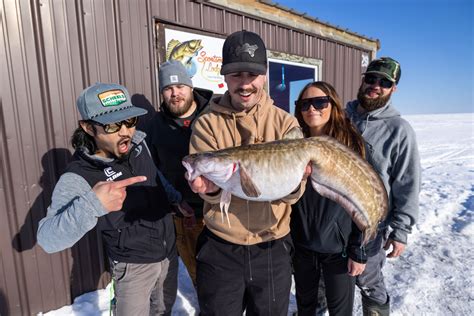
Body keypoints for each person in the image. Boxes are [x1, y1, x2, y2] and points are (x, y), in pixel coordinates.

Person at [37, 82, 191, 316]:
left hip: (168, 253)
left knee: (163, 311)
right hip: (133, 267)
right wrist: (92, 204)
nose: (125, 131)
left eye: (129, 121)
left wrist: (175, 198)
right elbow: (47, 239)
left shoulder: (138, 142)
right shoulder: (78, 176)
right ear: (88, 128)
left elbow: (154, 176)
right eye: (111, 125)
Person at [187, 30, 309, 315]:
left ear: (264, 75)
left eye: (252, 75)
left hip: (272, 247)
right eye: (236, 74)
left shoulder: (285, 123)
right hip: (221, 249)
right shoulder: (207, 124)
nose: (245, 84)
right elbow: (211, 185)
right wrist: (210, 190)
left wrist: (296, 181)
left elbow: (293, 195)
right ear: (225, 77)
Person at [346, 57, 421, 315]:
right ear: (363, 79)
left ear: (393, 88)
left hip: (371, 224)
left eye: (385, 82)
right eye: (371, 78)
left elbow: (408, 183)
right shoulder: (342, 117)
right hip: (333, 218)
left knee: (367, 280)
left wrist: (401, 230)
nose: (375, 85)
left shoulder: (399, 130)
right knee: (327, 274)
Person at [291, 81, 368, 316]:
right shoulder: (293, 145)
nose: (312, 109)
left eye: (320, 102)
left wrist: (358, 250)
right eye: (305, 104)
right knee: (305, 307)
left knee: (339, 311)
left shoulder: (352, 146)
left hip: (339, 249)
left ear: (333, 105)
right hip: (302, 246)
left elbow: (367, 203)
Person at [145, 60, 213, 286]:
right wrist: (174, 203)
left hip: (222, 210)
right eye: (168, 88)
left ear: (190, 87)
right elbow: (154, 171)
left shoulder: (214, 115)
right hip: (185, 216)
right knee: (198, 274)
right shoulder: (155, 127)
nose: (175, 93)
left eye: (180, 86)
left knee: (226, 276)